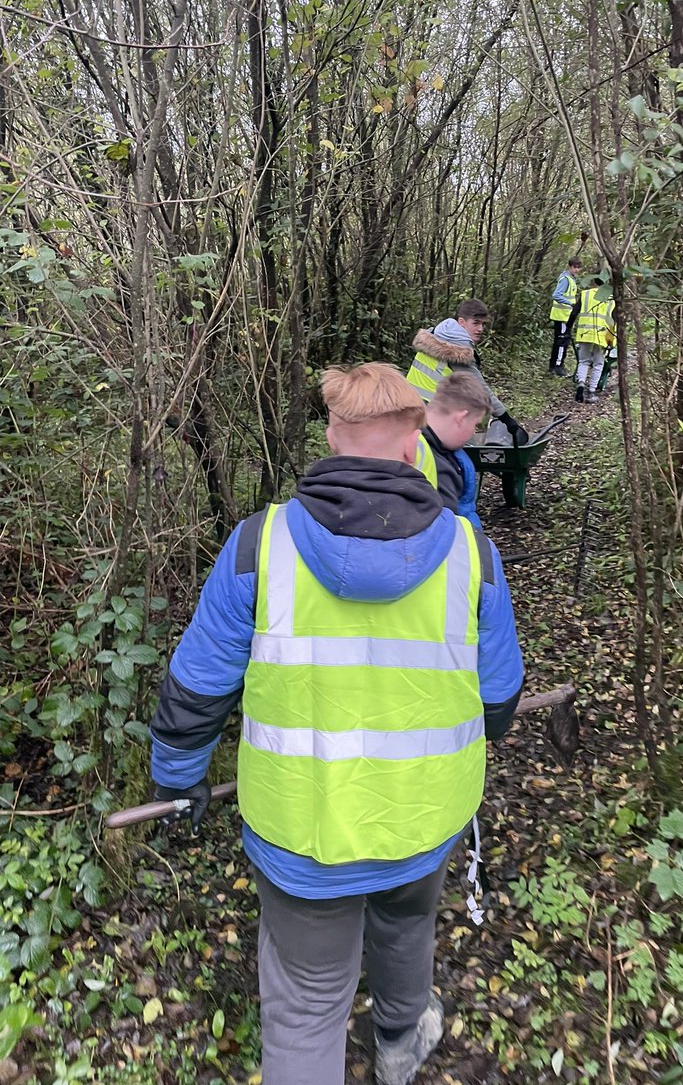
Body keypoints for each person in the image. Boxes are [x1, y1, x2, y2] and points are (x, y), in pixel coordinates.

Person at [148, 362, 523, 1085]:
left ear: (330, 433)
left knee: (307, 1003)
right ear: (417, 436)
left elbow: (197, 689)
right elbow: (500, 700)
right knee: (407, 925)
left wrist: (178, 779)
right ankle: (396, 1044)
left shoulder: (262, 545)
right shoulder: (470, 553)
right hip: (422, 816)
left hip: (301, 829)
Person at [407, 298, 528, 446]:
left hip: (410, 406)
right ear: (461, 322)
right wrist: (507, 420)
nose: (481, 329)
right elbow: (481, 391)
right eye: (475, 323)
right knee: (468, 449)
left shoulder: (436, 336)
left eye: (483, 324)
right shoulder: (457, 352)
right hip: (433, 414)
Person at [414, 372, 491, 527]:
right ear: (461, 418)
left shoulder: (431, 443)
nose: (473, 432)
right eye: (475, 424)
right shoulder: (436, 464)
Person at [573, 279, 616, 404]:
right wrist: (611, 341)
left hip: (585, 333)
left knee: (583, 361)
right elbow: (613, 321)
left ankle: (580, 384)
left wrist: (568, 328)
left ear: (594, 281)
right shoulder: (610, 299)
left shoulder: (585, 294)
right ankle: (591, 392)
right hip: (601, 336)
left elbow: (574, 312)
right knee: (598, 363)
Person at [548, 257, 582, 376]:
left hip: (566, 316)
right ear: (570, 266)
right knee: (562, 341)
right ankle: (558, 366)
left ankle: (554, 365)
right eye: (575, 267)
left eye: (578, 267)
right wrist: (571, 304)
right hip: (562, 316)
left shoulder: (570, 279)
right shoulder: (566, 279)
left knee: (560, 341)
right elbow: (556, 295)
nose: (577, 270)